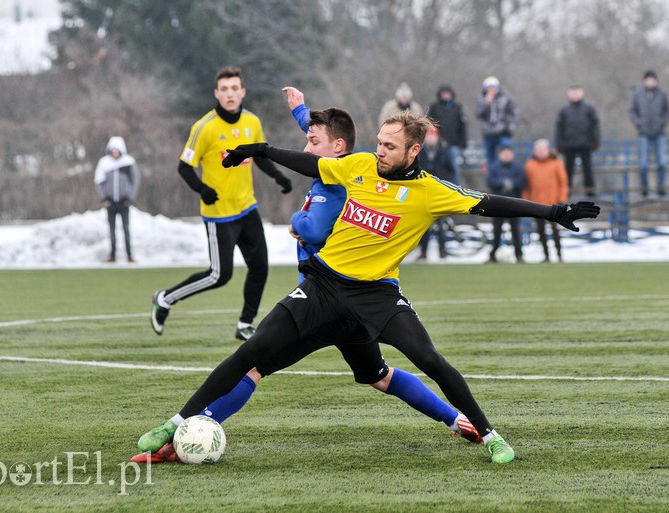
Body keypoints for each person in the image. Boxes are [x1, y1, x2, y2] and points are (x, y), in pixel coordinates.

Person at [136, 111, 600, 464]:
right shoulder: (357, 166)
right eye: (379, 143)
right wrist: (259, 150)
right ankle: (173, 425)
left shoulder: (430, 192)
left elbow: (491, 203)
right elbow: (311, 162)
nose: (380, 151)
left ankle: (489, 434)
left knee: (428, 360)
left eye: (390, 146)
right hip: (322, 288)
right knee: (250, 354)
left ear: (412, 152)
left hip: (376, 298)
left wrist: (552, 212)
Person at [149, 66, 293, 341]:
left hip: (247, 207)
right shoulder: (204, 127)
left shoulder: (252, 122)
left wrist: (279, 177)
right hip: (219, 215)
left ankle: (244, 324)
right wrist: (202, 189)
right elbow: (184, 166)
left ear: (243, 92)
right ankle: (165, 298)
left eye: (234, 88)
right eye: (224, 89)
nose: (230, 94)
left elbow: (260, 155)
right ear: (216, 93)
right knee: (219, 275)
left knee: (260, 267)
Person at [94, 136, 140, 263]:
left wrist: (130, 197)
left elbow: (135, 181)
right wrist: (103, 198)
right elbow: (98, 181)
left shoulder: (128, 162)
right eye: (113, 150)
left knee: (126, 228)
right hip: (110, 202)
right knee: (111, 229)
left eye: (117, 150)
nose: (115, 153)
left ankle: (129, 255)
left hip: (124, 202)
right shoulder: (104, 163)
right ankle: (112, 255)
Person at [523, 139, 570, 263]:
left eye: (542, 150)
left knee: (555, 230)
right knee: (540, 231)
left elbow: (563, 182)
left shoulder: (556, 163)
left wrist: (561, 199)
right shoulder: (530, 165)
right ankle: (546, 255)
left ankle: (559, 254)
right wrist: (525, 200)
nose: (540, 152)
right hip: (536, 203)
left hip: (553, 203)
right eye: (538, 150)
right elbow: (526, 185)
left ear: (548, 150)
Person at [628, 70, 669, 197]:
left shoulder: (663, 93)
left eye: (652, 79)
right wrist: (639, 123)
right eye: (648, 79)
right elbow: (632, 111)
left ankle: (661, 186)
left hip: (660, 133)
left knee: (662, 162)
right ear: (644, 81)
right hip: (643, 133)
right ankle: (644, 187)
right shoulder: (637, 94)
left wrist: (662, 123)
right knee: (643, 163)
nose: (650, 82)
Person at [416, 128, 456, 260]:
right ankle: (423, 251)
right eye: (429, 136)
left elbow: (451, 171)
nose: (431, 138)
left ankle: (442, 250)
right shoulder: (420, 153)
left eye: (433, 136)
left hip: (439, 193)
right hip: (424, 193)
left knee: (441, 224)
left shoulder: (444, 153)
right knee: (424, 225)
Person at [555, 85, 600, 196]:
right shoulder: (564, 110)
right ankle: (566, 191)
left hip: (585, 143)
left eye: (577, 92)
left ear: (581, 93)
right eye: (573, 92)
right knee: (568, 170)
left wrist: (595, 141)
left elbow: (595, 126)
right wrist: (560, 144)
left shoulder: (589, 109)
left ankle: (590, 191)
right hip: (569, 144)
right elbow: (559, 128)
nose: (575, 94)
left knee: (588, 168)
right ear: (569, 94)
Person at [485, 143, 526, 263]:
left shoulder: (518, 167)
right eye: (504, 153)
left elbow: (522, 181)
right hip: (497, 204)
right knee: (496, 231)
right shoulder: (494, 167)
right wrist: (502, 183)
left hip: (514, 204)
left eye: (508, 153)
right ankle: (493, 255)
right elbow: (490, 181)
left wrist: (512, 184)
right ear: (500, 154)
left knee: (516, 231)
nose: (506, 155)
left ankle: (519, 255)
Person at [427, 84, 467, 184]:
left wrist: (463, 143)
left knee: (454, 167)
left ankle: (455, 188)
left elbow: (462, 126)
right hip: (437, 144)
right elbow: (428, 124)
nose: (445, 96)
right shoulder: (434, 107)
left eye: (447, 93)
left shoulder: (457, 107)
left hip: (453, 144)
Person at [475, 76, 518, 169]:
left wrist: (510, 127)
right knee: (490, 159)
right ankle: (493, 179)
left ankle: (507, 175)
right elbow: (479, 114)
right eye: (489, 88)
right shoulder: (482, 99)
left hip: (503, 132)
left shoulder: (506, 98)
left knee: (506, 154)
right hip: (488, 133)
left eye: (493, 87)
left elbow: (514, 113)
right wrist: (487, 103)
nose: (492, 90)